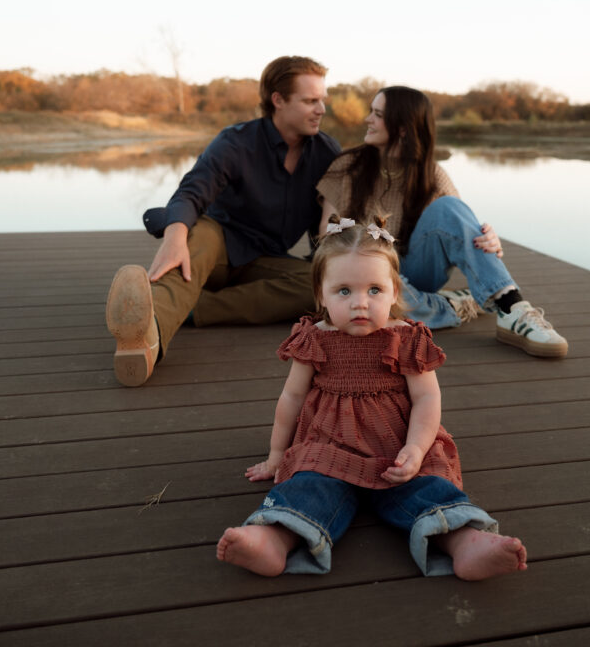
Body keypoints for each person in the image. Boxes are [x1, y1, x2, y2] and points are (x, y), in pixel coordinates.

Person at [216, 216, 527, 580]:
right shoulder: (314, 338)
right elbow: (292, 397)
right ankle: (274, 538)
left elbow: (427, 399)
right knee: (309, 485)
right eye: (344, 291)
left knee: (426, 488)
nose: (360, 303)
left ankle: (464, 542)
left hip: (396, 446)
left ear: (395, 291)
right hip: (329, 446)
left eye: (374, 290)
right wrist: (275, 455)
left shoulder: (406, 338)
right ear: (321, 294)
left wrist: (416, 447)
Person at [105, 55, 341, 386]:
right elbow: (191, 193)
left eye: (322, 101)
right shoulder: (236, 142)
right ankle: (147, 336)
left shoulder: (327, 152)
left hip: (266, 258)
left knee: (323, 288)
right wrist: (175, 239)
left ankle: (191, 308)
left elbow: (329, 228)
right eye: (310, 100)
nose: (321, 110)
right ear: (278, 100)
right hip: (219, 244)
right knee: (196, 241)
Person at [316, 86, 568, 358]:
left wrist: (487, 237)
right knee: (378, 303)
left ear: (402, 128)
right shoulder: (347, 167)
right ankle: (451, 304)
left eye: (377, 114)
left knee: (448, 207)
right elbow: (326, 236)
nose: (368, 119)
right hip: (361, 278)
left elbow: (456, 224)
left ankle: (512, 309)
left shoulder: (432, 174)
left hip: (414, 270)